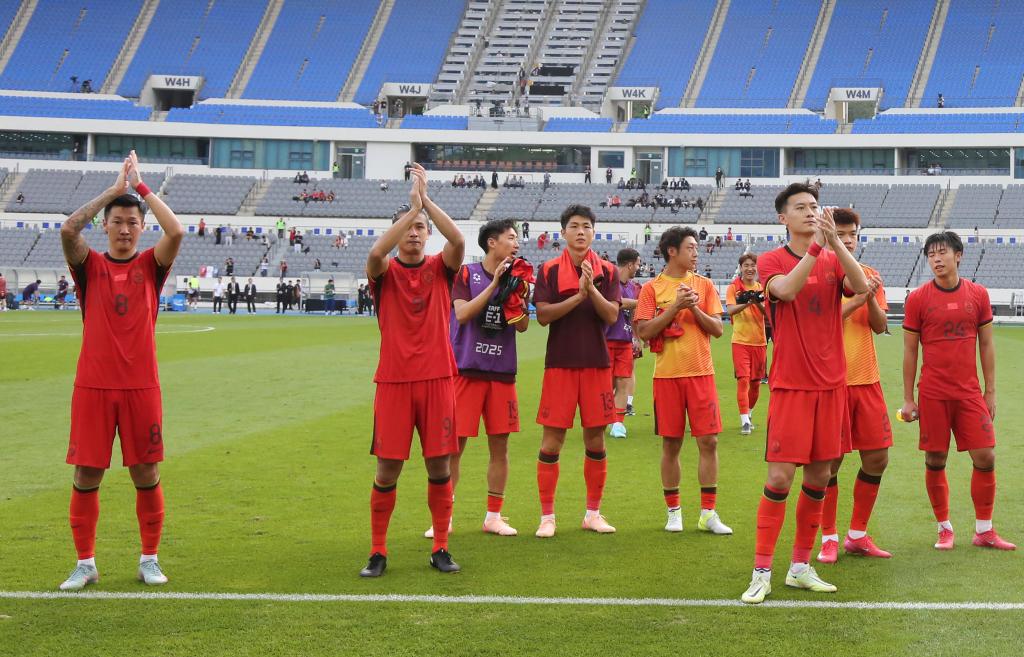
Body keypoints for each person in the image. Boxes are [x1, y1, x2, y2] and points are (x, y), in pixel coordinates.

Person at [57, 151, 184, 591]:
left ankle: (149, 559)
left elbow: (177, 231)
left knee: (145, 473)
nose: (125, 229)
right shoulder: (89, 266)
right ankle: (85, 563)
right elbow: (68, 230)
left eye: (132, 222)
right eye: (117, 221)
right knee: (86, 474)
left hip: (140, 387)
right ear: (106, 226)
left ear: (142, 227)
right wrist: (113, 190)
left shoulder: (151, 265)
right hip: (93, 387)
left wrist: (142, 187)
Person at [740, 183, 869, 605]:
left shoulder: (832, 257)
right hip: (792, 383)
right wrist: (816, 248)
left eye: (815, 206)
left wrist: (836, 244)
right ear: (783, 218)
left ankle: (799, 566)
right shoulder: (771, 260)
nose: (811, 212)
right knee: (780, 478)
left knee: (818, 478)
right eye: (801, 207)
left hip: (831, 384)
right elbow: (786, 291)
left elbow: (860, 286)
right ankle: (761, 571)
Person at [360, 162, 465, 578]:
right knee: (388, 469)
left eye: (421, 228)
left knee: (440, 466)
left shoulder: (440, 268)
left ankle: (440, 547)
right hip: (394, 382)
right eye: (408, 227)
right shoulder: (384, 273)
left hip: (438, 379)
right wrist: (411, 210)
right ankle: (378, 551)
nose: (415, 233)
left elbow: (458, 239)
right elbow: (374, 254)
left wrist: (425, 203)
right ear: (397, 231)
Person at [901, 231, 1014, 552]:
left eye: (942, 253)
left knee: (986, 455)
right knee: (936, 458)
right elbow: (910, 350)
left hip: (969, 394)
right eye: (931, 255)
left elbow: (987, 344)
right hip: (933, 393)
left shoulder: (978, 294)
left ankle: (984, 530)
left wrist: (990, 392)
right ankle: (944, 528)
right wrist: (908, 398)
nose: (936, 259)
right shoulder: (918, 299)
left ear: (958, 255)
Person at [434, 219, 533, 539]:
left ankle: (493, 516)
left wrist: (517, 296)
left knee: (500, 447)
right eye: (511, 238)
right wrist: (494, 286)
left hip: (502, 372)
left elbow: (522, 327)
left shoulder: (517, 280)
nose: (516, 243)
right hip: (466, 371)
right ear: (492, 242)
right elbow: (462, 314)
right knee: (455, 448)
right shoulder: (466, 274)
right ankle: (444, 516)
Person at [635, 226, 732, 536]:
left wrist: (693, 308)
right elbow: (644, 331)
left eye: (696, 248)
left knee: (709, 441)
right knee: (671, 443)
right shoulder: (651, 289)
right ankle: (674, 511)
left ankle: (708, 513)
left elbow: (717, 329)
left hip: (702, 374)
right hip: (667, 377)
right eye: (690, 247)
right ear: (672, 251)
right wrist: (675, 307)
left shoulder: (704, 285)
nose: (696, 253)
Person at [532, 204, 621, 538]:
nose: (581, 231)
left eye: (586, 226)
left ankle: (593, 514)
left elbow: (611, 316)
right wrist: (577, 296)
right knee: (552, 441)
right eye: (574, 226)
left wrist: (591, 289)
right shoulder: (549, 270)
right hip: (560, 364)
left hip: (597, 364)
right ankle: (547, 517)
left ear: (594, 232)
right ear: (563, 232)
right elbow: (543, 315)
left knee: (595, 439)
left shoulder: (608, 271)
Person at [817, 208, 892, 564]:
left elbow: (879, 326)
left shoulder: (869, 275)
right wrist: (858, 299)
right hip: (831, 384)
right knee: (829, 463)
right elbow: (820, 324)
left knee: (877, 458)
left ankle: (858, 535)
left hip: (867, 381)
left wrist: (870, 297)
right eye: (841, 234)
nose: (847, 240)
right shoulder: (817, 274)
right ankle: (828, 537)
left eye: (852, 235)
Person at [726, 253, 766, 435]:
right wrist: (747, 302)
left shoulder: (762, 288)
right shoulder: (734, 287)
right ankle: (744, 421)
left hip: (759, 342)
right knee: (743, 380)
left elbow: (769, 314)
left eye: (752, 265)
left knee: (756, 383)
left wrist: (757, 302)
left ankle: (748, 414)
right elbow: (730, 310)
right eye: (746, 265)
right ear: (741, 268)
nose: (750, 269)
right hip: (740, 341)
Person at [606, 249, 640, 439]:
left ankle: (618, 423)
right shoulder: (609, 281)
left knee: (623, 381)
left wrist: (636, 336)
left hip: (624, 341)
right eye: (637, 264)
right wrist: (639, 302)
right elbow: (618, 303)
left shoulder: (631, 287)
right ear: (630, 264)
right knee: (605, 384)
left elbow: (632, 313)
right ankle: (603, 417)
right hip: (606, 339)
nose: (638, 267)